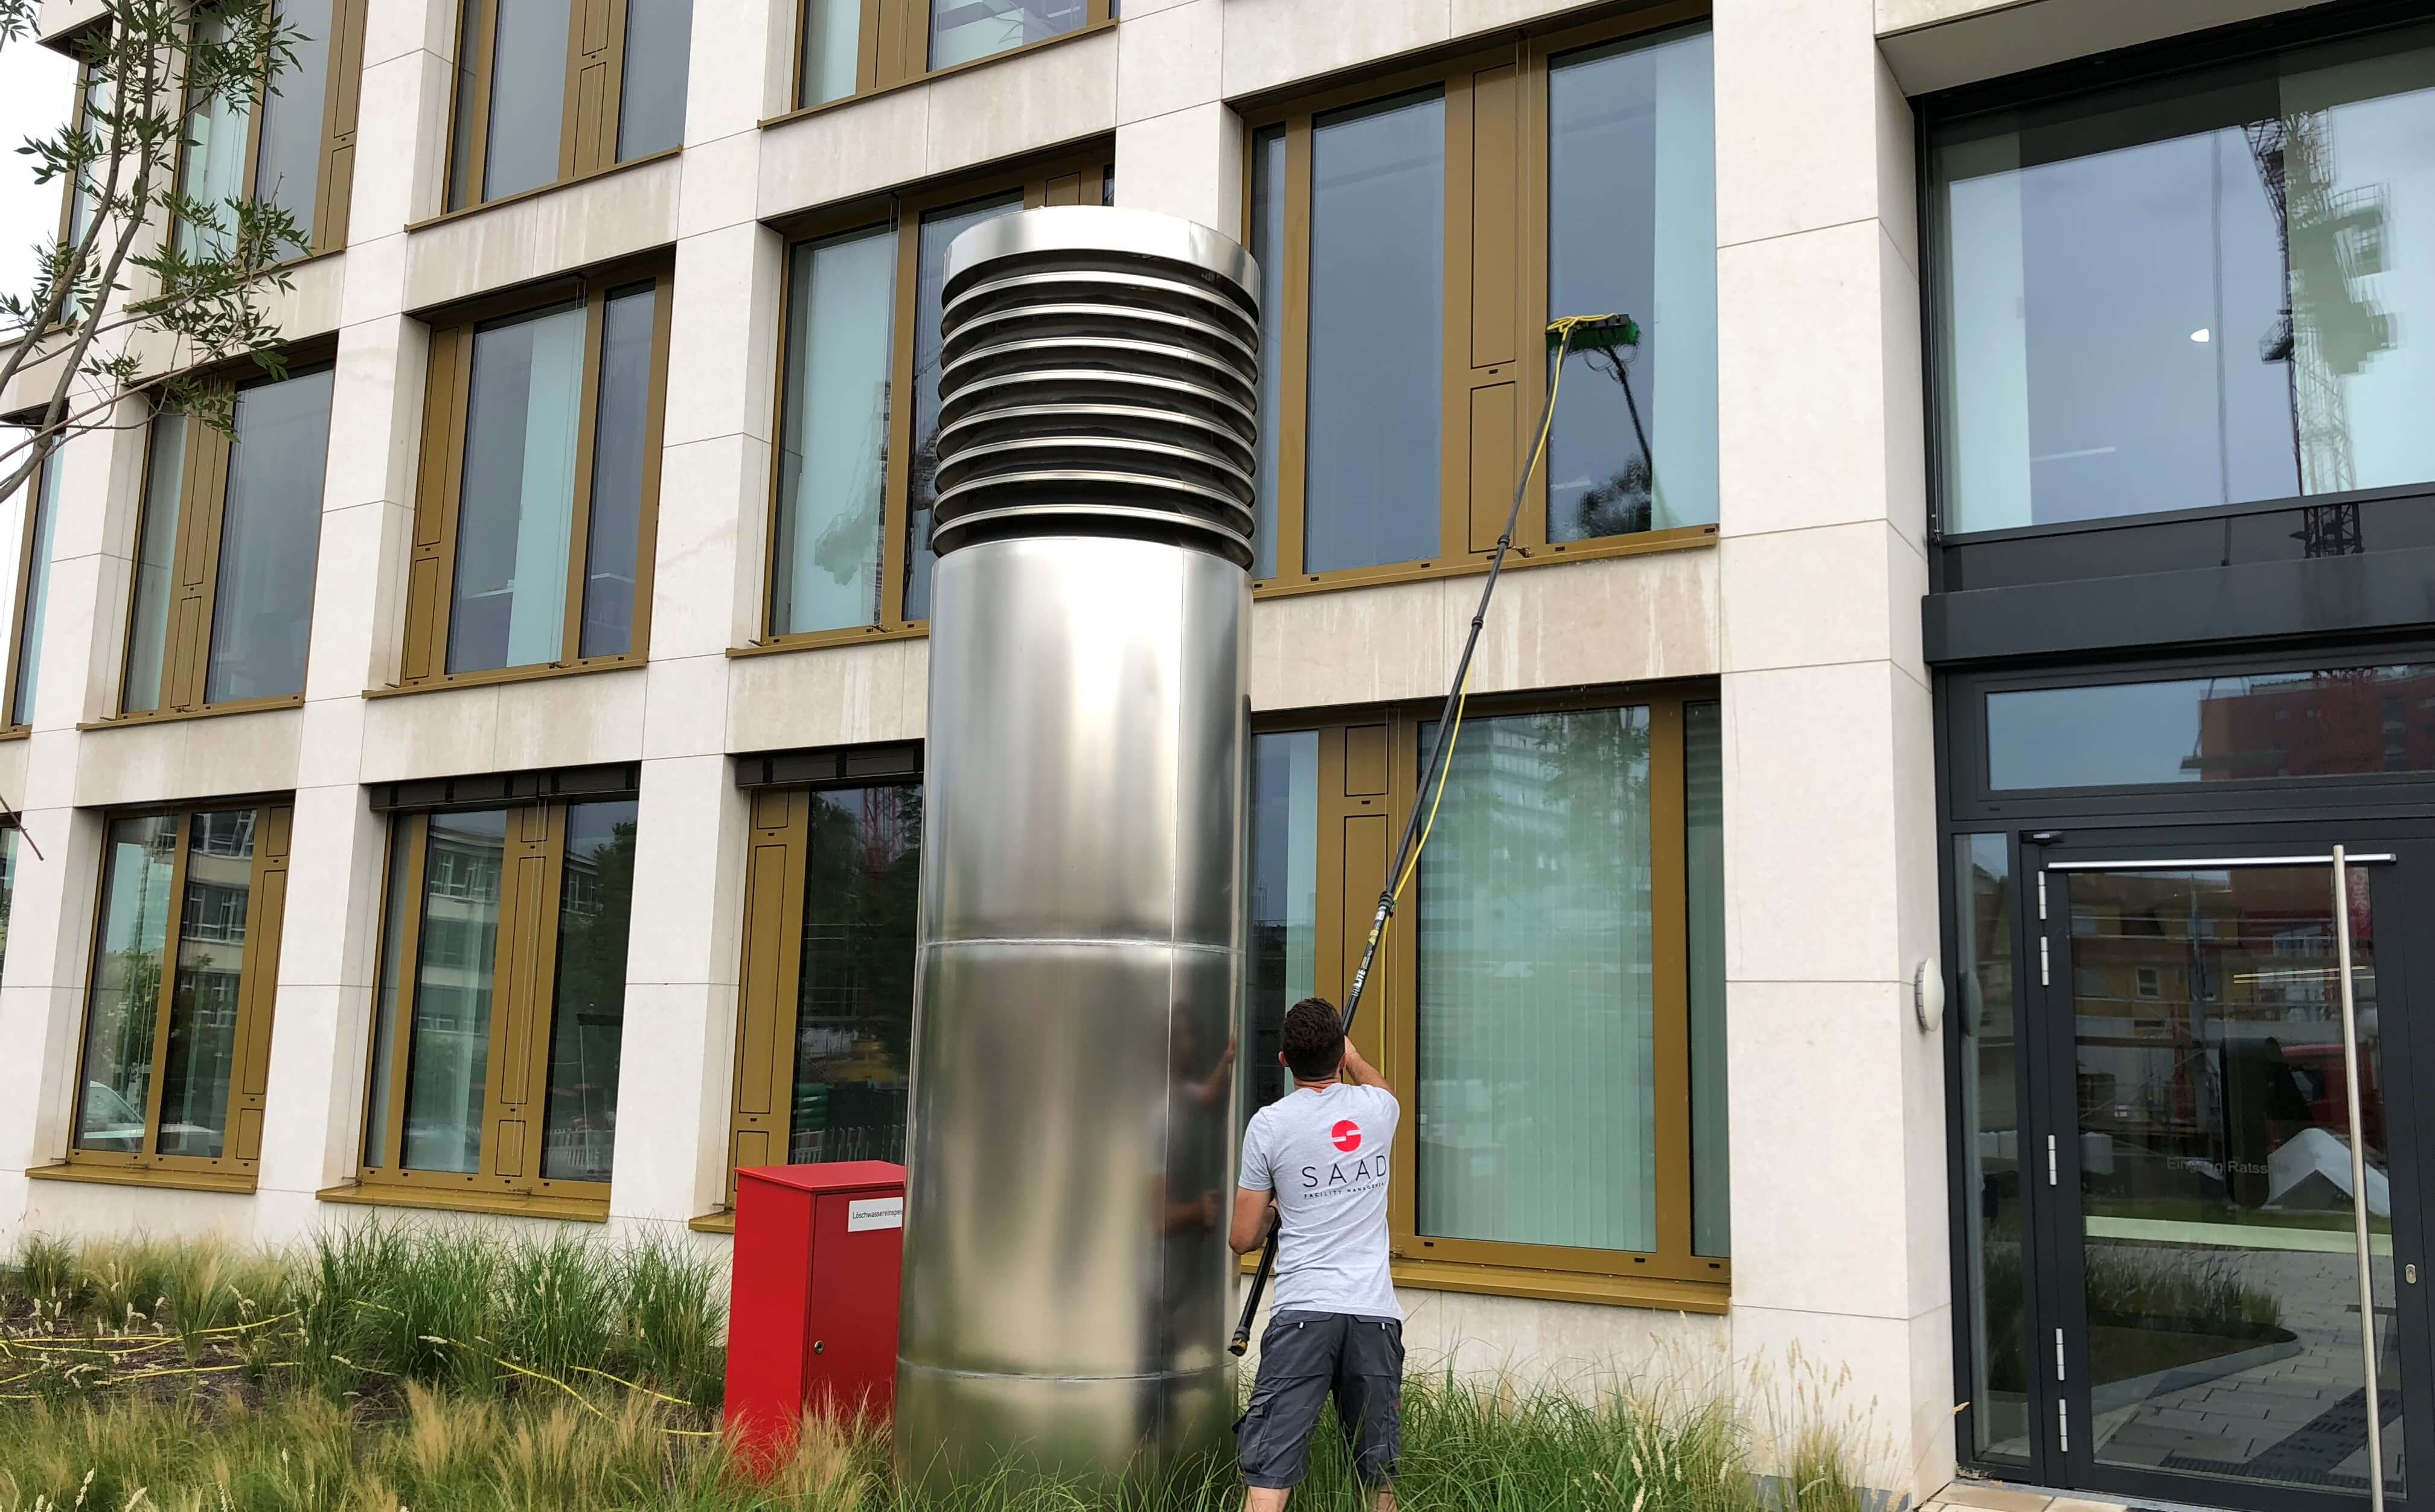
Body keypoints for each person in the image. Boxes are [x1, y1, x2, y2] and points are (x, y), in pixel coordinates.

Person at [1229, 997, 1402, 1511]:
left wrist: (1273, 1208)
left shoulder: (1269, 1125)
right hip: (1373, 1316)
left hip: (1303, 1312)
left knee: (1269, 1474)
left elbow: (1243, 1239)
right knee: (1378, 1476)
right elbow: (1379, 1084)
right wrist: (1354, 1058)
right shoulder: (1378, 1109)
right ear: (1340, 1053)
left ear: (1283, 1060)